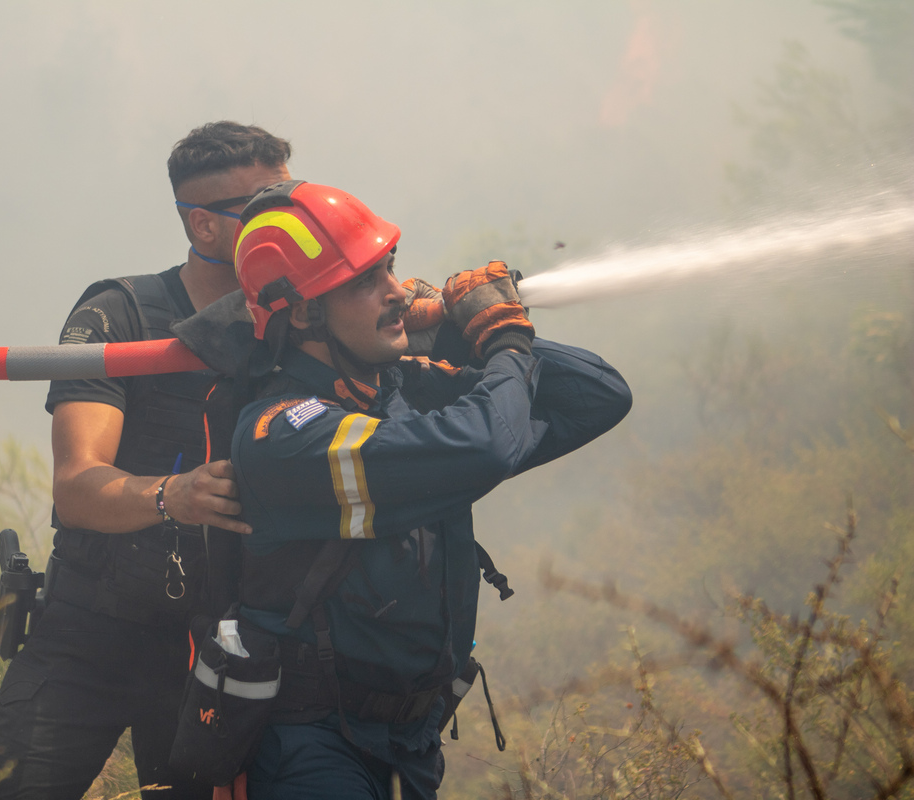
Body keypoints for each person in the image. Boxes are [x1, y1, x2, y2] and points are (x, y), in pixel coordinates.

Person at [225, 180, 632, 799]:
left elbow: (598, 397)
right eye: (366, 281)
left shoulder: (401, 390)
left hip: (413, 742)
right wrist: (503, 340)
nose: (396, 290)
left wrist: (454, 332)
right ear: (305, 313)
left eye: (389, 267)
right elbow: (490, 443)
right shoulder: (283, 435)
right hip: (314, 744)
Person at [0, 122, 291, 800]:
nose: (289, 225)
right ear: (204, 227)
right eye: (265, 209)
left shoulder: (300, 322)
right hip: (88, 632)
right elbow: (78, 486)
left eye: (292, 201)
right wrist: (171, 495)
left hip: (212, 652)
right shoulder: (118, 313)